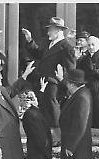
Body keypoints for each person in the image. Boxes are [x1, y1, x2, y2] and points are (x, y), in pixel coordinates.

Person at [22, 17, 76, 145]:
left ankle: (59, 138)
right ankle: (49, 138)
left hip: (55, 86)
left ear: (58, 30)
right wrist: (30, 40)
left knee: (53, 110)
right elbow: (39, 54)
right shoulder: (49, 44)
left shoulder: (66, 47)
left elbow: (71, 69)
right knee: (45, 109)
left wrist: (65, 84)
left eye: (50, 30)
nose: (48, 33)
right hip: (44, 83)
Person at [56, 68, 93, 159]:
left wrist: (71, 146)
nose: (66, 85)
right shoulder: (81, 94)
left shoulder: (82, 97)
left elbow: (80, 125)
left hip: (77, 149)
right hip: (75, 147)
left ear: (72, 84)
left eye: (67, 83)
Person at [77, 36, 99, 146]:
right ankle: (87, 138)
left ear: (98, 45)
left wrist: (94, 71)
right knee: (88, 113)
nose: (91, 47)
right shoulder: (84, 58)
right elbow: (80, 72)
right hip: (88, 88)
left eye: (93, 45)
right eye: (89, 45)